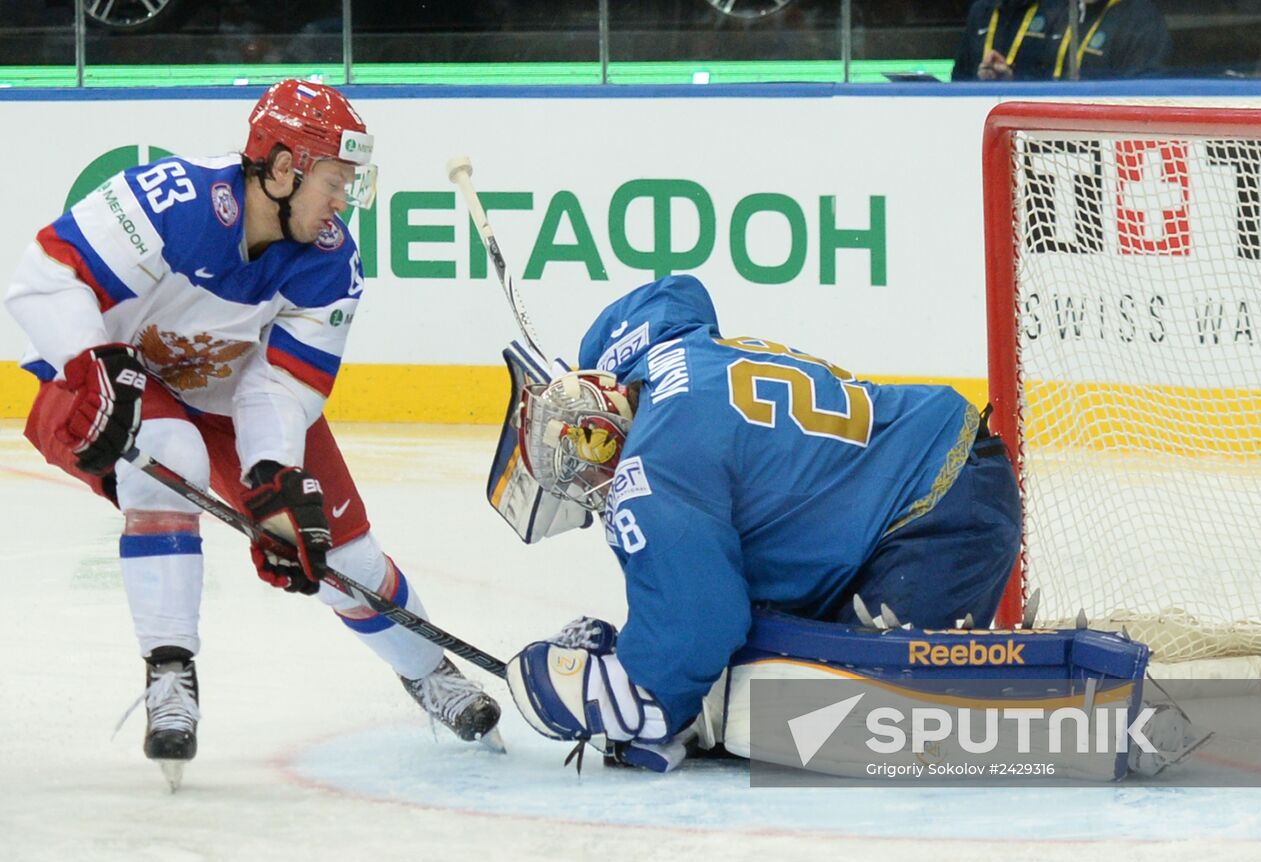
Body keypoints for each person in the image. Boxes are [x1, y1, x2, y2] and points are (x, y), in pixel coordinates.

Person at [3, 79, 500, 788]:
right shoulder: (171, 200)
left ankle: (428, 671)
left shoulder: (330, 258)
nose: (342, 202)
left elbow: (279, 386)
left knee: (339, 550)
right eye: (334, 180)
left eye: (350, 184)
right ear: (281, 166)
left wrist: (272, 474)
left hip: (233, 398)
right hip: (117, 383)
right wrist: (94, 362)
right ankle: (170, 672)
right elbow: (46, 274)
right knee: (169, 456)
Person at [499, 274, 1023, 772]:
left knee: (857, 720)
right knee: (768, 678)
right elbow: (674, 299)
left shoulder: (653, 463)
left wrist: (625, 690)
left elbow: (702, 620)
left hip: (935, 510)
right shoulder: (674, 352)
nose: (597, 462)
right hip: (932, 476)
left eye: (591, 443)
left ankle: (1068, 713)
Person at [952, 0, 1169, 81]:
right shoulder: (1059, 11)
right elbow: (1045, 77)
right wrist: (1010, 79)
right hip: (1055, 135)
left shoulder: (1141, 17)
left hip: (1102, 139)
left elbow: (1144, 92)